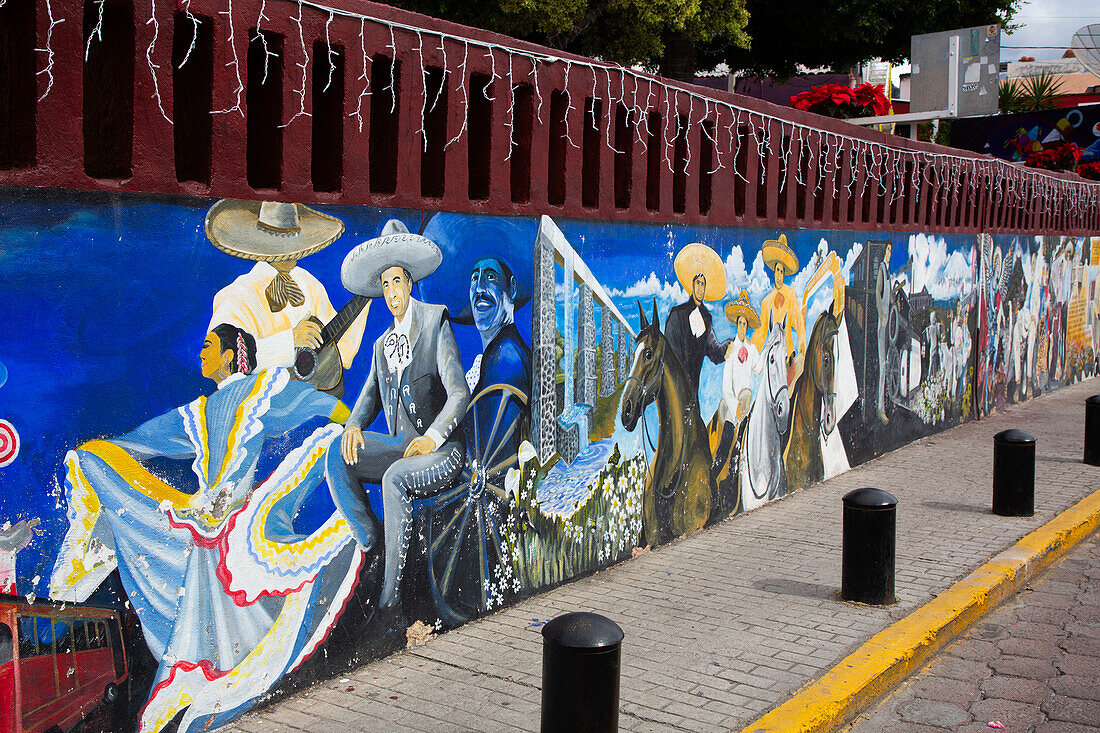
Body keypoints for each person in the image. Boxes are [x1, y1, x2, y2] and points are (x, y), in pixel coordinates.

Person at [49, 325, 358, 733]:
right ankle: (207, 671)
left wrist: (354, 421)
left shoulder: (261, 388)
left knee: (223, 582)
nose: (201, 355)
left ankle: (217, 673)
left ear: (231, 355)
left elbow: (311, 402)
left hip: (230, 517)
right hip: (206, 518)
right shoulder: (200, 411)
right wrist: (102, 452)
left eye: (209, 347)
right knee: (199, 576)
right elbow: (148, 438)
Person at [326, 220, 471, 637]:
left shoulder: (435, 322)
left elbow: (458, 393)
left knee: (393, 479)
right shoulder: (379, 345)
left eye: (397, 283)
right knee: (337, 455)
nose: (391, 294)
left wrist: (433, 437)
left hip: (442, 451)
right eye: (385, 286)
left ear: (409, 283)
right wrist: (353, 425)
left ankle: (390, 605)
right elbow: (368, 399)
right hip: (402, 445)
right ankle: (374, 543)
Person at [206, 199, 368, 373]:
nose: (290, 251)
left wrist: (366, 296)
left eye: (293, 242)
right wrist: (290, 341)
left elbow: (341, 352)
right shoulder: (235, 296)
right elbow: (222, 363)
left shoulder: (309, 284)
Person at [664, 243, 733, 395]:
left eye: (703, 284)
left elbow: (714, 351)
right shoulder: (677, 315)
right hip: (673, 393)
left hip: (693, 395)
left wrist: (730, 345)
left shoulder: (706, 318)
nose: (701, 288)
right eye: (698, 283)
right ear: (692, 285)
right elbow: (668, 353)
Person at [752, 234, 808, 384]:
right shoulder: (766, 302)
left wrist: (802, 346)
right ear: (773, 272)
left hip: (788, 356)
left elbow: (799, 323)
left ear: (784, 274)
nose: (779, 275)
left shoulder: (790, 295)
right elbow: (761, 332)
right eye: (777, 271)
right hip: (771, 360)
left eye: (782, 272)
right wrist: (750, 351)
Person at [721, 290, 761, 425]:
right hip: (734, 406)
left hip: (747, 403)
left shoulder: (752, 349)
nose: (742, 328)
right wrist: (735, 406)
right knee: (728, 435)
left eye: (745, 324)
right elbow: (726, 386)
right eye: (740, 324)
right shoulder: (731, 349)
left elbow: (759, 368)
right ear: (736, 325)